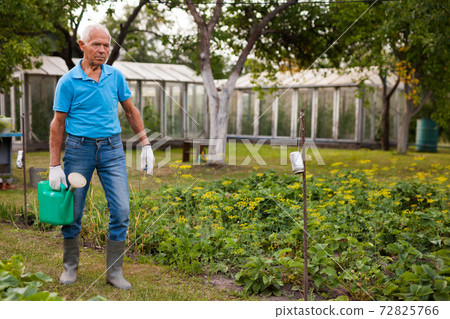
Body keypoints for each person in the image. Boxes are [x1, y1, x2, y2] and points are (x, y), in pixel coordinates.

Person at [49, 24, 154, 291]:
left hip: (112, 150)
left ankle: (114, 272)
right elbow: (57, 125)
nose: (103, 50)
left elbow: (130, 111)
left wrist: (145, 144)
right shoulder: (68, 82)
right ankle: (70, 268)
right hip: (78, 149)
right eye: (97, 44)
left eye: (107, 45)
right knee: (72, 213)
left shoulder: (115, 77)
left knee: (121, 211)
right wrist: (54, 165)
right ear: (82, 46)